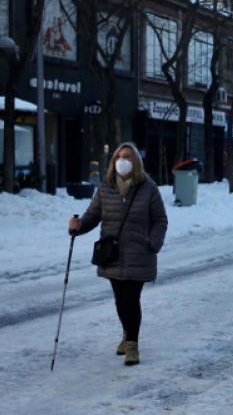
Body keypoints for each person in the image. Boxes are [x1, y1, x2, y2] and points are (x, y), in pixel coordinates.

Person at [68, 142, 168, 366]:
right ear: (114, 161)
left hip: (139, 253)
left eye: (128, 157)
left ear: (136, 162)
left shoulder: (148, 188)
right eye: (119, 156)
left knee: (131, 299)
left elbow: (160, 219)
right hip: (111, 253)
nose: (123, 160)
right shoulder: (106, 187)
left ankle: (132, 344)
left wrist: (153, 243)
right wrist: (78, 225)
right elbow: (93, 216)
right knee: (120, 300)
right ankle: (127, 332)